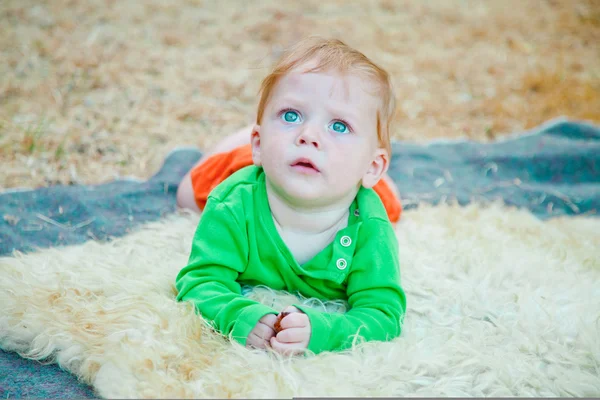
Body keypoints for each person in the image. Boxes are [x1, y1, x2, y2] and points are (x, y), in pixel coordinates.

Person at [175, 36, 407, 355]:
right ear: (259, 144)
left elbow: (383, 314)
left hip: (349, 181)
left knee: (394, 204)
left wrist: (325, 331)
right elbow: (200, 282)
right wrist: (238, 315)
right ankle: (241, 140)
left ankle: (358, 163)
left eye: (339, 126)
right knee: (187, 196)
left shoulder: (370, 226)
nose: (308, 135)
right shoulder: (232, 202)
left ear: (373, 166)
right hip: (251, 167)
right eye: (291, 116)